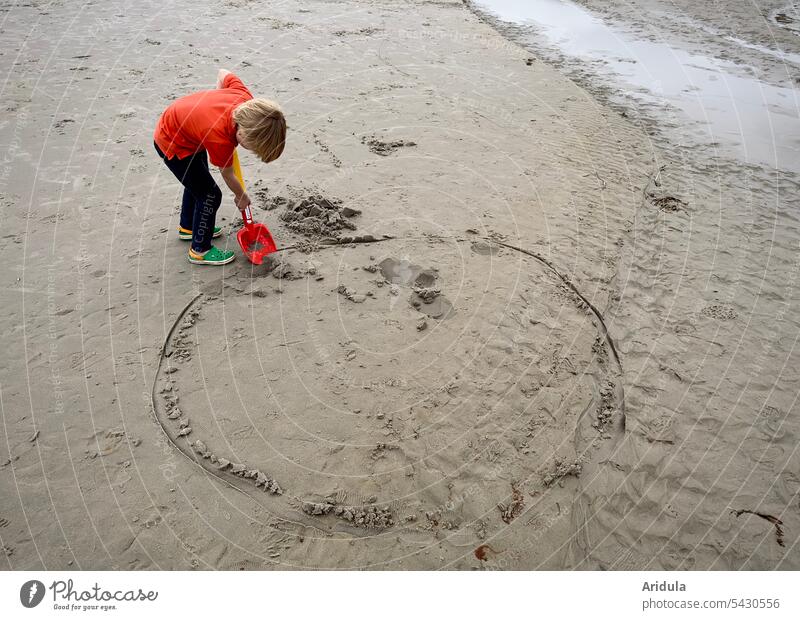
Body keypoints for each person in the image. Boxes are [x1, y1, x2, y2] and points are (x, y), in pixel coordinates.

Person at [153, 69, 286, 265]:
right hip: (172, 143)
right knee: (209, 195)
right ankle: (200, 249)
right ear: (241, 133)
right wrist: (241, 196)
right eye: (251, 146)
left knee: (198, 181)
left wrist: (216, 95)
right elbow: (227, 173)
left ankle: (189, 227)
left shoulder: (244, 97)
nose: (247, 149)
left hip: (186, 130)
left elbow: (224, 73)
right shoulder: (220, 138)